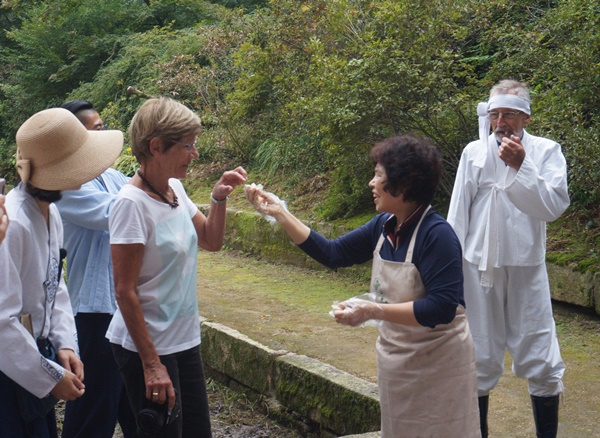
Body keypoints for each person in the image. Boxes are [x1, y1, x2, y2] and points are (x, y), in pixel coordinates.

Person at [246, 134, 480, 437]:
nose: (371, 182)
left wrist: (373, 310)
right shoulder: (383, 224)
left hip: (440, 365)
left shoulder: (437, 235)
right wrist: (280, 212)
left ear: (405, 184)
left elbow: (442, 307)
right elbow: (333, 253)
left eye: (379, 175)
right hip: (397, 362)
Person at [107, 97, 248, 437]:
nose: (195, 154)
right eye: (187, 146)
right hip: (149, 347)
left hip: (183, 339)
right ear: (156, 146)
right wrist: (151, 364)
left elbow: (210, 241)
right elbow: (124, 291)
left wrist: (219, 198)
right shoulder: (130, 205)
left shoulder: (175, 189)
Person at [447, 79, 569, 438]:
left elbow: (551, 208)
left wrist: (521, 165)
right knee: (478, 354)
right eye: (496, 113)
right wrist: (450, 271)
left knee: (541, 354)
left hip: (527, 266)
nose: (501, 121)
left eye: (510, 114)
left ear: (525, 118)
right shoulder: (473, 152)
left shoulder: (547, 151)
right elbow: (458, 214)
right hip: (476, 265)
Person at [0, 107, 123, 437]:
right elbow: (2, 322)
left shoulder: (50, 214)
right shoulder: (13, 224)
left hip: (33, 356)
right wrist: (50, 378)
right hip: (10, 368)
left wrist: (66, 344)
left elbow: (56, 286)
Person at [56, 100, 137, 438]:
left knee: (136, 405)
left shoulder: (117, 177)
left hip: (128, 305)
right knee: (93, 409)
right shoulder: (65, 186)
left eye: (102, 128)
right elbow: (118, 216)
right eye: (92, 131)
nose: (100, 135)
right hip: (95, 308)